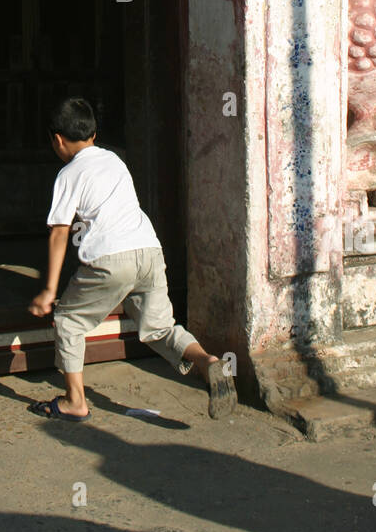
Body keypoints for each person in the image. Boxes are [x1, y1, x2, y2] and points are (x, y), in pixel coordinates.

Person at [28, 97, 235, 420]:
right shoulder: (115, 161)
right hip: (149, 251)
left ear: (57, 140)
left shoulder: (69, 174)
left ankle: (75, 401)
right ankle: (207, 361)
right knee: (160, 328)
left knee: (68, 320)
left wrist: (49, 291)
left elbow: (59, 232)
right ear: (94, 134)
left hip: (110, 258)